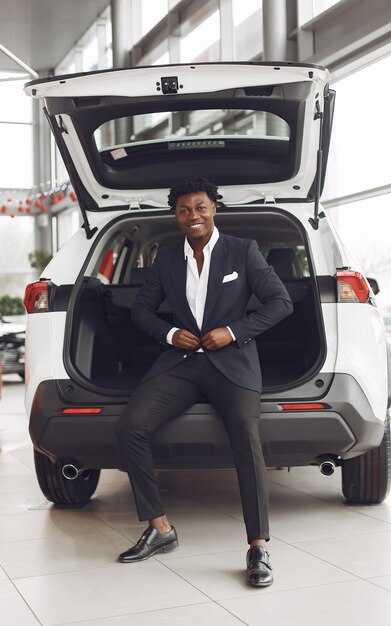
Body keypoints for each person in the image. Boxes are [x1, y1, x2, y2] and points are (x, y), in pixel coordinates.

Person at [116, 176, 293, 586]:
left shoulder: (243, 251)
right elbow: (141, 310)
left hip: (232, 361)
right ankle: (161, 529)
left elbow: (280, 302)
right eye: (182, 210)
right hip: (181, 361)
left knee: (246, 438)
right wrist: (167, 333)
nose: (191, 216)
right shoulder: (166, 259)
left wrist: (233, 332)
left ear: (215, 208)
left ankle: (259, 547)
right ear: (175, 215)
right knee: (130, 426)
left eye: (199, 207)